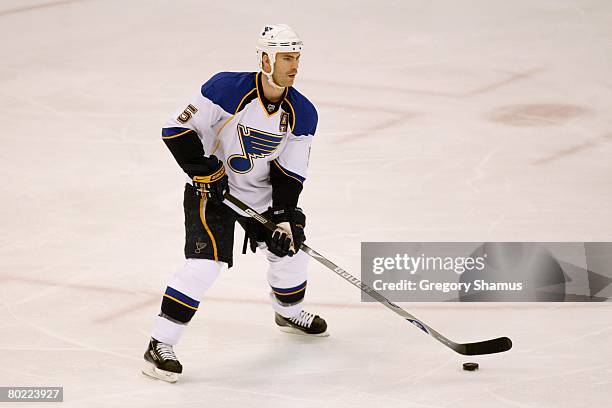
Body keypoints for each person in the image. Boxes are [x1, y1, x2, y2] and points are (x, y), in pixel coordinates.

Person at [142, 24, 327, 383]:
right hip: (210, 191)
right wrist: (205, 171)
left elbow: (290, 173)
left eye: (297, 58)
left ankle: (289, 311)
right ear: (265, 58)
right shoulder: (225, 89)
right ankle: (159, 343)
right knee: (203, 266)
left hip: (258, 195)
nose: (294, 66)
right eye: (286, 57)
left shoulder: (302, 112)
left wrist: (287, 216)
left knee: (292, 251)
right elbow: (175, 130)